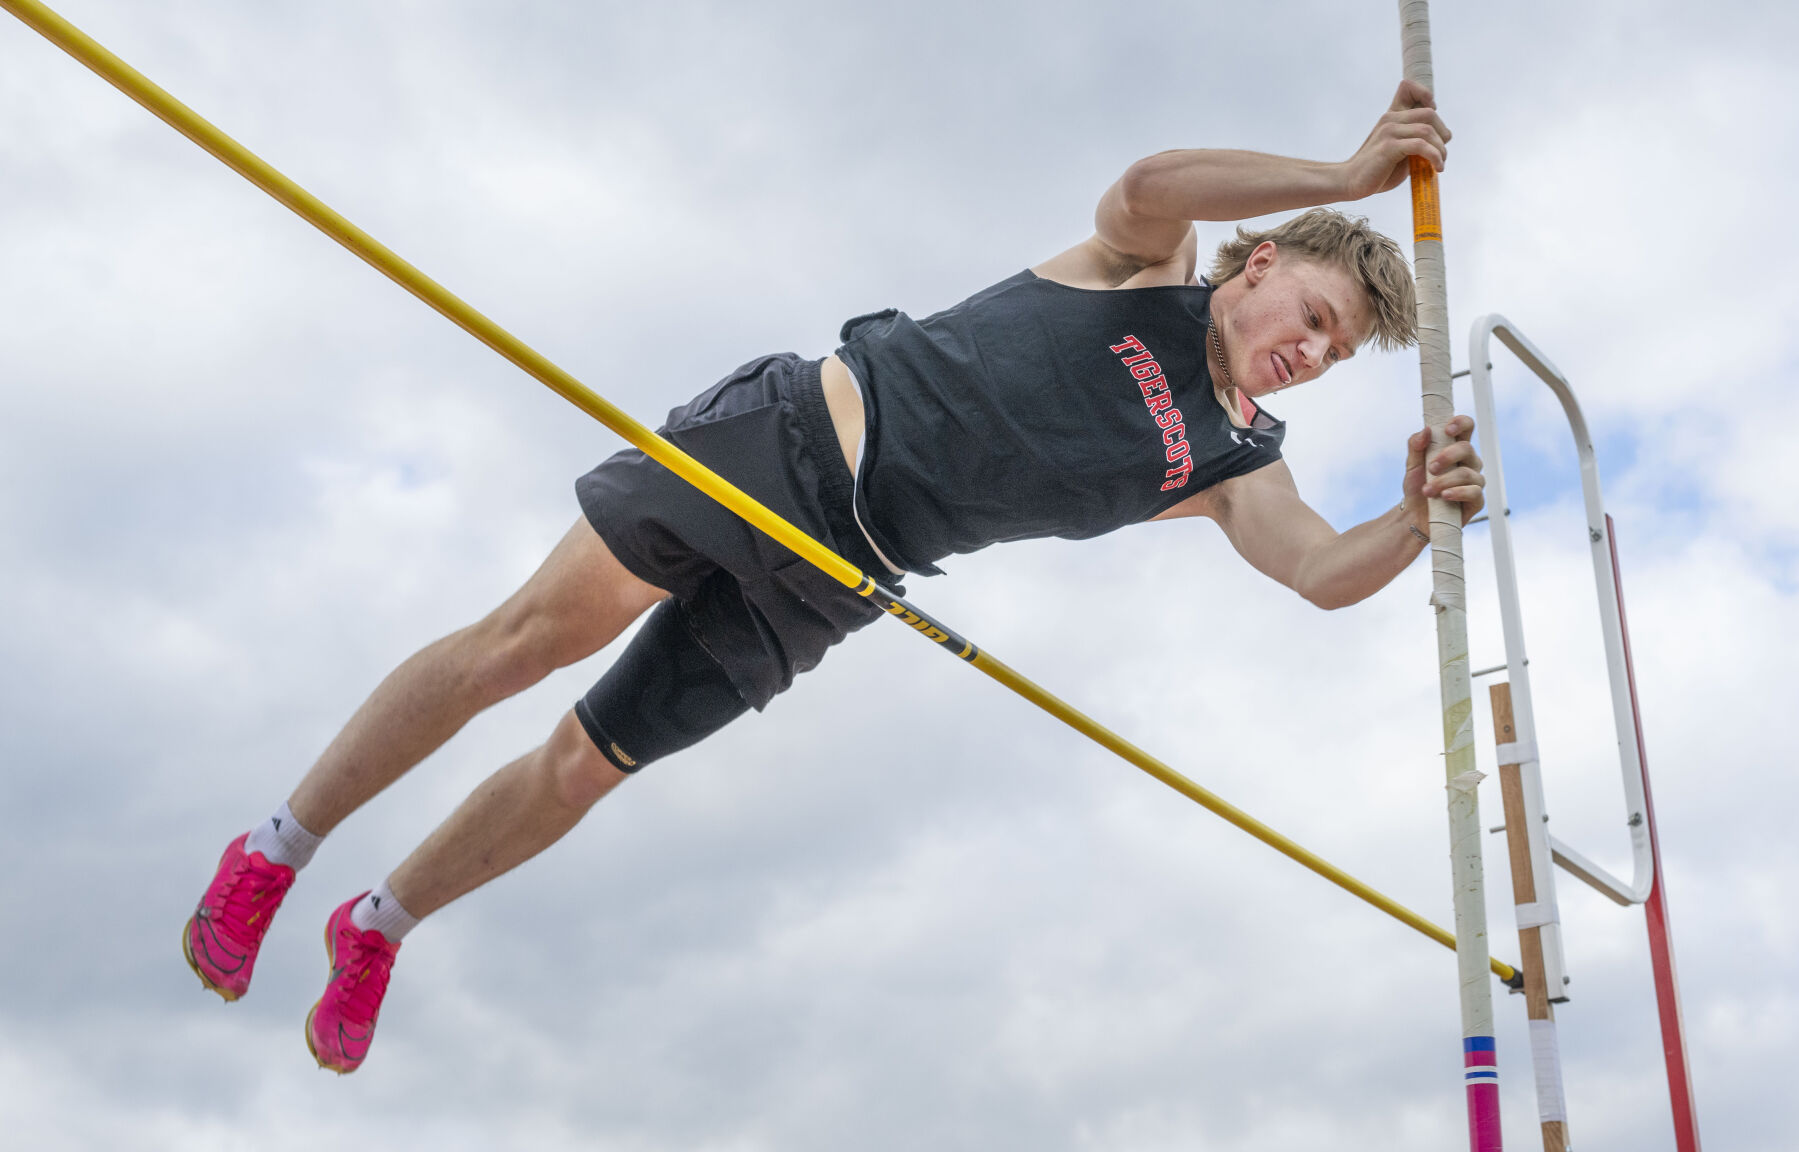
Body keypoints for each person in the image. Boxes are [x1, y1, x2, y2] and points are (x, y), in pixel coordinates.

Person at [183, 80, 1479, 1074]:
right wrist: (1346, 173)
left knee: (585, 766)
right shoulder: (1153, 270)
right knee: (527, 642)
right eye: (1316, 315)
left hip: (844, 575)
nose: (1315, 351)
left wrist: (1414, 517)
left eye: (1339, 352)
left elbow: (1318, 570)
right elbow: (1147, 181)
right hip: (785, 445)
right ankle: (274, 850)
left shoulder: (1236, 461)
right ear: (1264, 262)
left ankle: (380, 925)